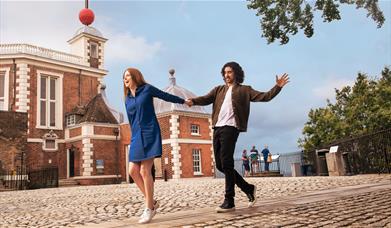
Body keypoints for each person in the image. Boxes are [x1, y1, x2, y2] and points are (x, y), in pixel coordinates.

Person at [186, 61, 289, 212]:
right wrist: (193, 101)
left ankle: (229, 201)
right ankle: (248, 189)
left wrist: (277, 87)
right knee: (221, 165)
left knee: (227, 163)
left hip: (231, 128)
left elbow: (265, 97)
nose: (227, 75)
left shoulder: (245, 90)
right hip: (217, 128)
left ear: (236, 73)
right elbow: (206, 98)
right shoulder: (218, 90)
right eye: (225, 73)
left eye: (230, 72)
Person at [123, 67, 186, 224]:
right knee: (132, 171)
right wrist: (132, 137)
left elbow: (165, 96)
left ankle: (149, 208)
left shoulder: (147, 89)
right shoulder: (127, 99)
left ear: (136, 77)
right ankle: (152, 202)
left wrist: (184, 101)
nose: (125, 79)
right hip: (137, 135)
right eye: (124, 77)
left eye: (128, 76)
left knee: (145, 170)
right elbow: (131, 121)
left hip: (150, 132)